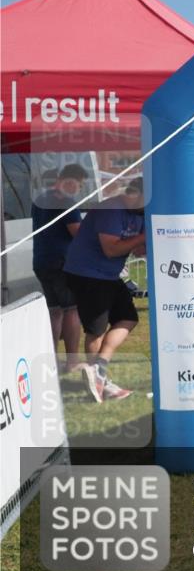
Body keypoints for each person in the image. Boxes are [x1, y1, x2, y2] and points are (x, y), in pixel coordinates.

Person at [63, 178, 146, 402]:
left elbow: (139, 249)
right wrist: (142, 237)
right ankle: (98, 380)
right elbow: (111, 250)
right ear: (135, 195)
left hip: (108, 275)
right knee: (96, 331)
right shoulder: (111, 209)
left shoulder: (138, 212)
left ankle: (98, 370)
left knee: (128, 317)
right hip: (87, 274)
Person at [31, 164, 88, 373]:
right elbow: (78, 233)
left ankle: (53, 360)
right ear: (70, 180)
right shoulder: (66, 202)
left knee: (55, 311)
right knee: (72, 309)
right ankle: (72, 361)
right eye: (79, 185)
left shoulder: (41, 198)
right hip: (63, 263)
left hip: (41, 261)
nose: (78, 189)